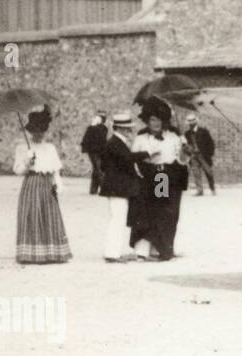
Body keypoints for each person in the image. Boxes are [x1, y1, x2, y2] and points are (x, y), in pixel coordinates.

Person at [130, 98, 188, 261]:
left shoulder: (173, 137)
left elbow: (181, 161)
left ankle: (165, 248)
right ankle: (157, 249)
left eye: (158, 120)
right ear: (147, 120)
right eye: (152, 119)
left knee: (168, 212)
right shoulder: (141, 138)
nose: (155, 123)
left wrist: (185, 151)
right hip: (149, 176)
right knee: (154, 212)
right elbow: (134, 159)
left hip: (166, 176)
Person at [12, 106, 72, 264]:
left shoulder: (50, 148)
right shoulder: (22, 148)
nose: (38, 134)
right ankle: (31, 254)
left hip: (47, 186)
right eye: (35, 130)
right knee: (32, 216)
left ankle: (51, 253)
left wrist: (58, 184)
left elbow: (55, 170)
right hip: (31, 185)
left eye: (41, 130)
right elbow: (18, 170)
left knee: (49, 216)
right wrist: (27, 161)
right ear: (30, 131)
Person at [100, 111, 146, 262]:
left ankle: (113, 252)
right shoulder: (115, 143)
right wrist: (145, 153)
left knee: (117, 218)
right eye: (126, 129)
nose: (129, 131)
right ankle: (112, 253)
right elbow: (126, 159)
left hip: (117, 186)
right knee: (117, 219)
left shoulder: (116, 142)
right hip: (117, 187)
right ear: (118, 128)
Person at [183, 114, 217, 195]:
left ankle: (212, 189)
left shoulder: (204, 131)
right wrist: (187, 150)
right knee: (196, 173)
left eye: (192, 122)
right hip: (194, 156)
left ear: (196, 122)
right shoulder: (187, 134)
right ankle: (199, 191)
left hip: (204, 156)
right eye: (189, 122)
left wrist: (209, 154)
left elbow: (211, 143)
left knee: (209, 172)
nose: (191, 124)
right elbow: (185, 146)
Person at [80, 110, 109, 194]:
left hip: (99, 151)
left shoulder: (103, 128)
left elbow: (101, 140)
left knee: (97, 169)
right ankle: (104, 189)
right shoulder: (93, 128)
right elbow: (87, 139)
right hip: (93, 151)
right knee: (98, 169)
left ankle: (93, 190)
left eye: (101, 118)